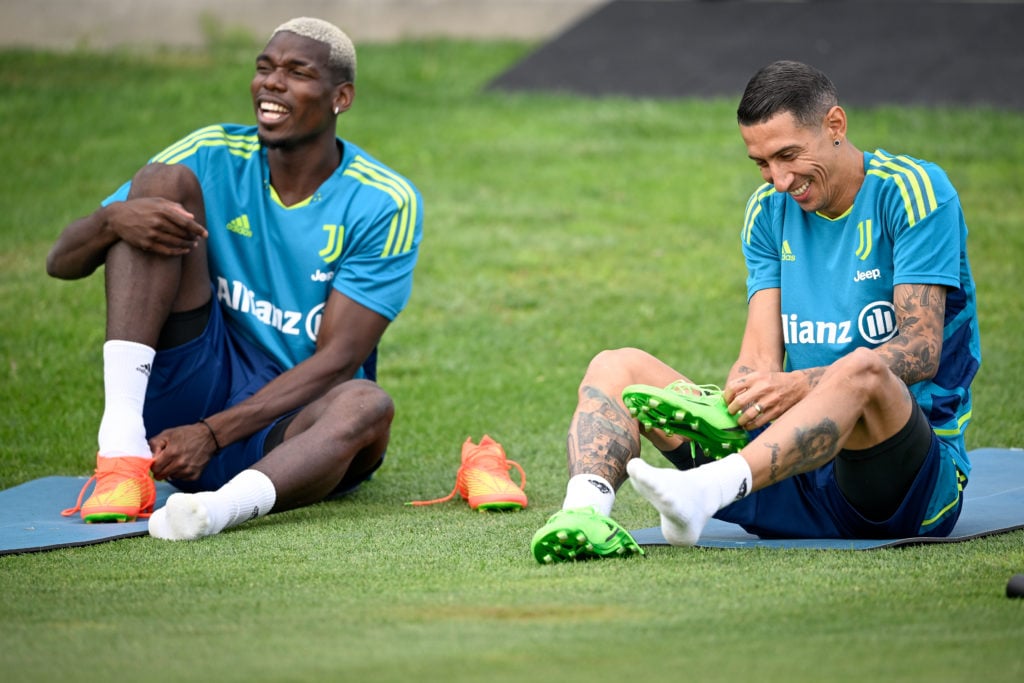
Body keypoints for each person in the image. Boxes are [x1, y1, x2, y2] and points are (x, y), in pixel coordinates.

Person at [530, 60, 980, 563]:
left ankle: (703, 492)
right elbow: (759, 359)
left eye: (788, 155)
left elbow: (919, 352)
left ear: (835, 125)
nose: (780, 180)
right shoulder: (767, 211)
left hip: (898, 491)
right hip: (785, 471)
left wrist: (802, 385)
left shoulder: (914, 191)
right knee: (616, 365)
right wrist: (733, 402)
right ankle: (583, 515)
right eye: (762, 163)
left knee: (864, 367)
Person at [50, 17, 423, 541]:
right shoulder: (208, 152)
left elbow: (338, 360)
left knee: (366, 403)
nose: (271, 82)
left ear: (341, 97)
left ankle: (217, 511)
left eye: (296, 72)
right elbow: (60, 262)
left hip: (289, 430)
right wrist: (111, 220)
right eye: (264, 68)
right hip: (196, 377)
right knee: (158, 186)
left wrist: (211, 434)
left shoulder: (384, 200)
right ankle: (120, 453)